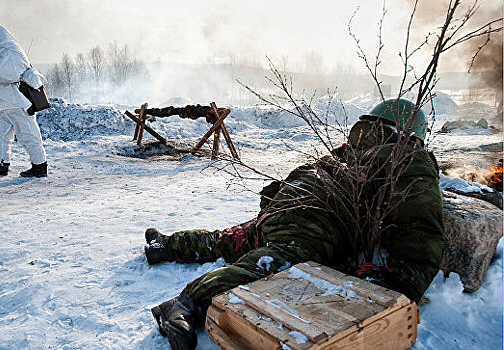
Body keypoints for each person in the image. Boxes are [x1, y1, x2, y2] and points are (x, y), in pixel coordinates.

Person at [144, 98, 444, 350]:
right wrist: (398, 283)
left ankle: (167, 244)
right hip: (317, 221)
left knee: (231, 239)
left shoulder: (349, 150)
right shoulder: (409, 160)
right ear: (412, 136)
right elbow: (420, 234)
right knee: (272, 265)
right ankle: (186, 303)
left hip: (290, 201)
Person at [0, 24, 48, 177]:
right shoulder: (5, 54)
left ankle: (40, 166)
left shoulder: (11, 53)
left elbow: (2, 73)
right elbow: (3, 75)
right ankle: (1, 164)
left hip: (18, 103)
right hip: (8, 104)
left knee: (28, 134)